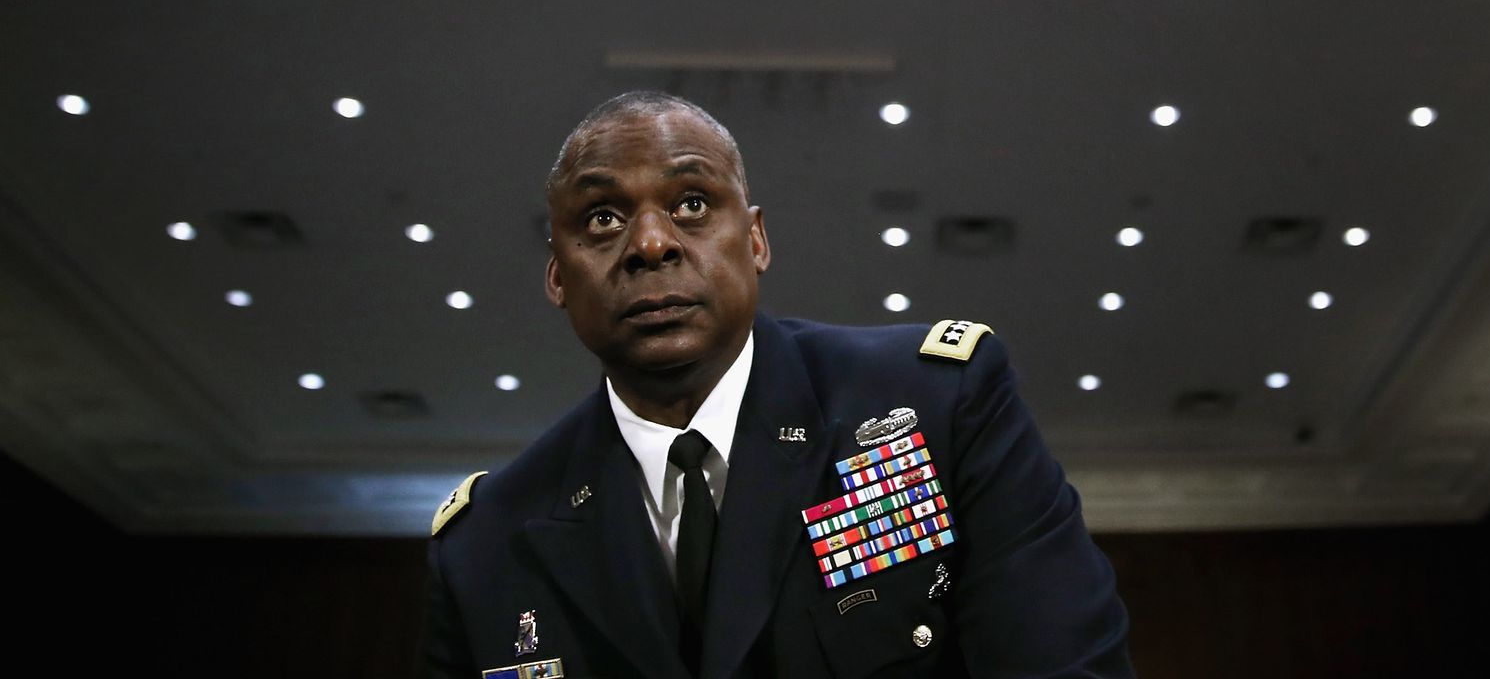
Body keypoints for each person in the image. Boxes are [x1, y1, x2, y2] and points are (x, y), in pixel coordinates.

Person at [419, 91, 1133, 679]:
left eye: (692, 204)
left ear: (755, 240)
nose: (649, 243)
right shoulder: (489, 540)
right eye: (602, 218)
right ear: (557, 277)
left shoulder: (938, 407)